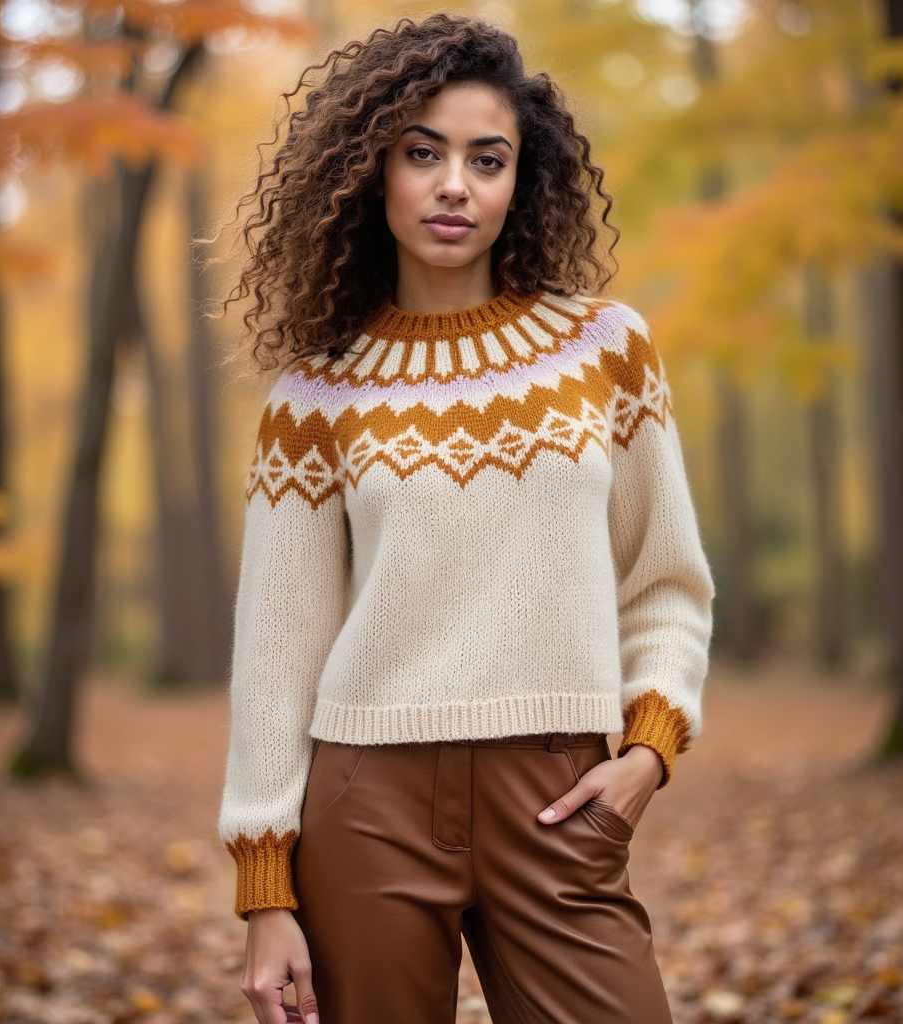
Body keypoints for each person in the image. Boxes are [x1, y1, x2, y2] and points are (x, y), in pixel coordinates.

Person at [216, 13, 715, 1024]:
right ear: (373, 172)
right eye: (422, 153)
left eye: (486, 159)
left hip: (562, 792)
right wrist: (267, 888)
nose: (454, 184)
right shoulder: (316, 394)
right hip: (367, 806)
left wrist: (647, 754)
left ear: (520, 179)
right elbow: (277, 648)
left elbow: (664, 580)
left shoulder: (605, 349)